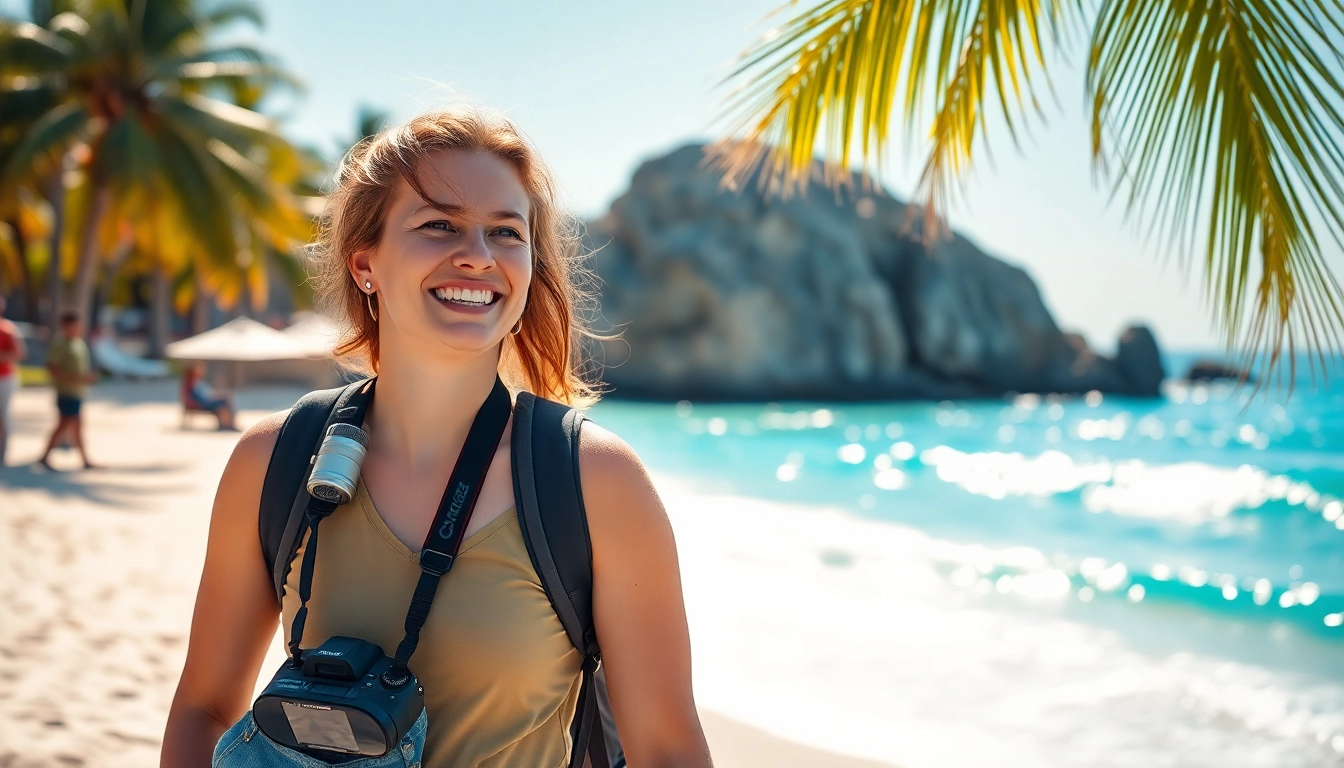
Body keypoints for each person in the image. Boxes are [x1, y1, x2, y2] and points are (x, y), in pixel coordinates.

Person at [162, 107, 712, 767]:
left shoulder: (596, 482)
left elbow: (667, 748)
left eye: (505, 233)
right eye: (439, 225)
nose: (477, 257)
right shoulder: (275, 460)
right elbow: (204, 709)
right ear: (366, 263)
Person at [39, 311, 97, 470]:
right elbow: (53, 369)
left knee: (75, 426)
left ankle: (84, 460)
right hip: (66, 392)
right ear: (65, 326)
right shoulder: (60, 344)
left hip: (78, 392)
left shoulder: (79, 343)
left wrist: (85, 378)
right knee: (64, 424)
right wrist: (77, 378)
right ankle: (44, 457)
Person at [0, 295, 27, 468]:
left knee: (2, 415)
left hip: (4, 379)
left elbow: (19, 353)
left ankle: (2, 452)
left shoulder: (7, 329)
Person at [182, 361, 237, 430]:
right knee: (224, 401)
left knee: (224, 401)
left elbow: (204, 395)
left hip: (202, 402)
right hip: (201, 404)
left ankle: (227, 423)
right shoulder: (191, 384)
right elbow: (200, 398)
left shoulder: (194, 383)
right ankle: (228, 424)